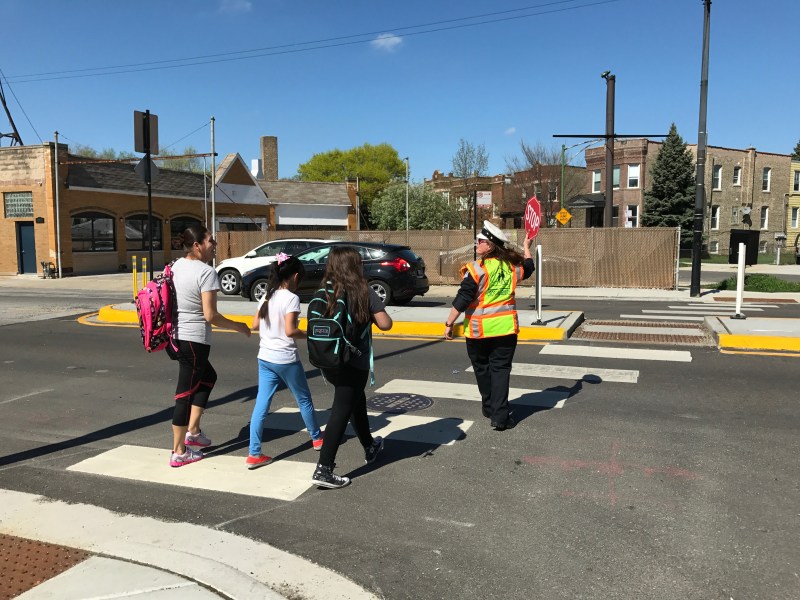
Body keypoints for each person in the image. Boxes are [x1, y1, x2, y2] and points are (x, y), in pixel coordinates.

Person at [309, 246, 393, 489]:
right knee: (341, 410)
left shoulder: (324, 290)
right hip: (354, 361)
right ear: (355, 266)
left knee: (355, 400)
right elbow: (385, 324)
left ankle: (369, 445)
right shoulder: (363, 290)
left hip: (329, 360)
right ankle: (324, 469)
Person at [168, 225, 251, 467]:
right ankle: (179, 451)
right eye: (210, 241)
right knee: (184, 394)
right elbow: (210, 315)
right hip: (194, 340)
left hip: (175, 337)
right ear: (197, 246)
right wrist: (238, 326)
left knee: (208, 377)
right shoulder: (206, 272)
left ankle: (193, 430)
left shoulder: (175, 265)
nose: (214, 245)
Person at [444, 221, 534, 431]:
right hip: (505, 330)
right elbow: (529, 268)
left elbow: (463, 298)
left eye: (481, 241)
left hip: (478, 332)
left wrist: (449, 323)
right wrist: (527, 248)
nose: (477, 243)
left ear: (491, 246)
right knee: (500, 371)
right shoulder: (511, 268)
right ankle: (500, 415)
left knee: (482, 369)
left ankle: (490, 408)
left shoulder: (476, 270)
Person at [246, 253, 323, 470]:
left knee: (262, 404)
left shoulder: (266, 297)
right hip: (286, 358)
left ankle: (254, 453)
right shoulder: (291, 298)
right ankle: (317, 438)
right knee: (304, 399)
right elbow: (291, 330)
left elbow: (254, 325)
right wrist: (308, 334)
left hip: (265, 357)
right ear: (295, 276)